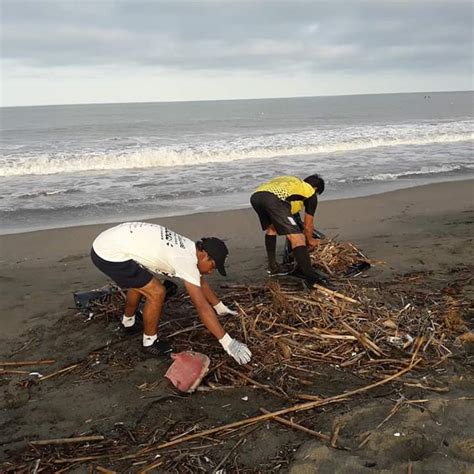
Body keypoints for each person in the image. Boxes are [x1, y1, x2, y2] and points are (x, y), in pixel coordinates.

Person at [90, 222, 251, 364]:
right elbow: (201, 307)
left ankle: (128, 322)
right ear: (203, 255)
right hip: (109, 254)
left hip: (111, 240)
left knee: (141, 282)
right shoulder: (185, 260)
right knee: (157, 292)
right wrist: (228, 342)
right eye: (213, 266)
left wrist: (219, 306)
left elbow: (199, 280)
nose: (211, 272)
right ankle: (150, 343)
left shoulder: (189, 246)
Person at [250, 174, 330, 288]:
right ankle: (311, 278)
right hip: (274, 199)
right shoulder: (309, 192)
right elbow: (308, 225)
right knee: (297, 237)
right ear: (315, 189)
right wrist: (310, 240)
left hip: (256, 197)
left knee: (272, 229)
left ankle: (273, 267)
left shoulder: (292, 181)